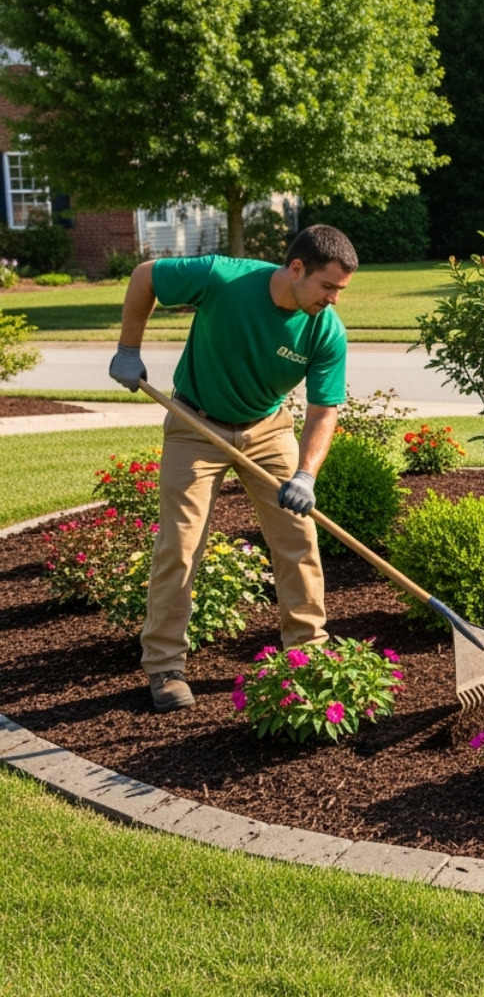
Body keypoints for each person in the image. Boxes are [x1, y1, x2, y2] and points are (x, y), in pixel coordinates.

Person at [108, 225, 357, 711]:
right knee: (180, 544)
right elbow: (145, 277)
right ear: (297, 269)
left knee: (297, 538)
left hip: (267, 428)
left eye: (340, 291)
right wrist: (129, 347)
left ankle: (306, 653)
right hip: (195, 423)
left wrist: (305, 474)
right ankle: (164, 666)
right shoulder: (223, 277)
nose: (333, 300)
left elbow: (324, 411)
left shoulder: (325, 329)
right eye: (328, 287)